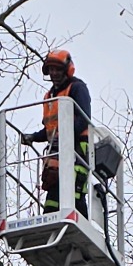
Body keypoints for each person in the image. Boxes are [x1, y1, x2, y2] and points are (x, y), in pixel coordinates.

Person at [22, 47, 93, 214]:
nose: (53, 73)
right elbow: (50, 129)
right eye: (51, 70)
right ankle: (50, 218)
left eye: (57, 69)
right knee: (54, 187)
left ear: (66, 70)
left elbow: (84, 120)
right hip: (57, 150)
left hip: (78, 149)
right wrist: (33, 137)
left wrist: (67, 138)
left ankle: (78, 222)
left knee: (73, 191)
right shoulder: (49, 96)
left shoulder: (77, 88)